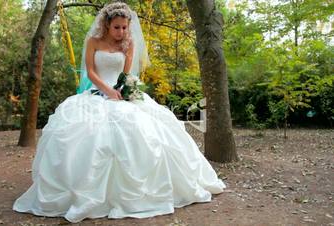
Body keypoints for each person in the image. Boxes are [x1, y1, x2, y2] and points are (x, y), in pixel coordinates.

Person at [13, 2, 225, 223]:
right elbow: (91, 71)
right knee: (82, 135)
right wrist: (106, 90)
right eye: (117, 27)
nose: (122, 32)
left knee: (145, 131)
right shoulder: (93, 42)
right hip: (97, 91)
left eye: (125, 27)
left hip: (122, 95)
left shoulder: (128, 44)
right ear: (107, 25)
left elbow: (126, 75)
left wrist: (125, 91)